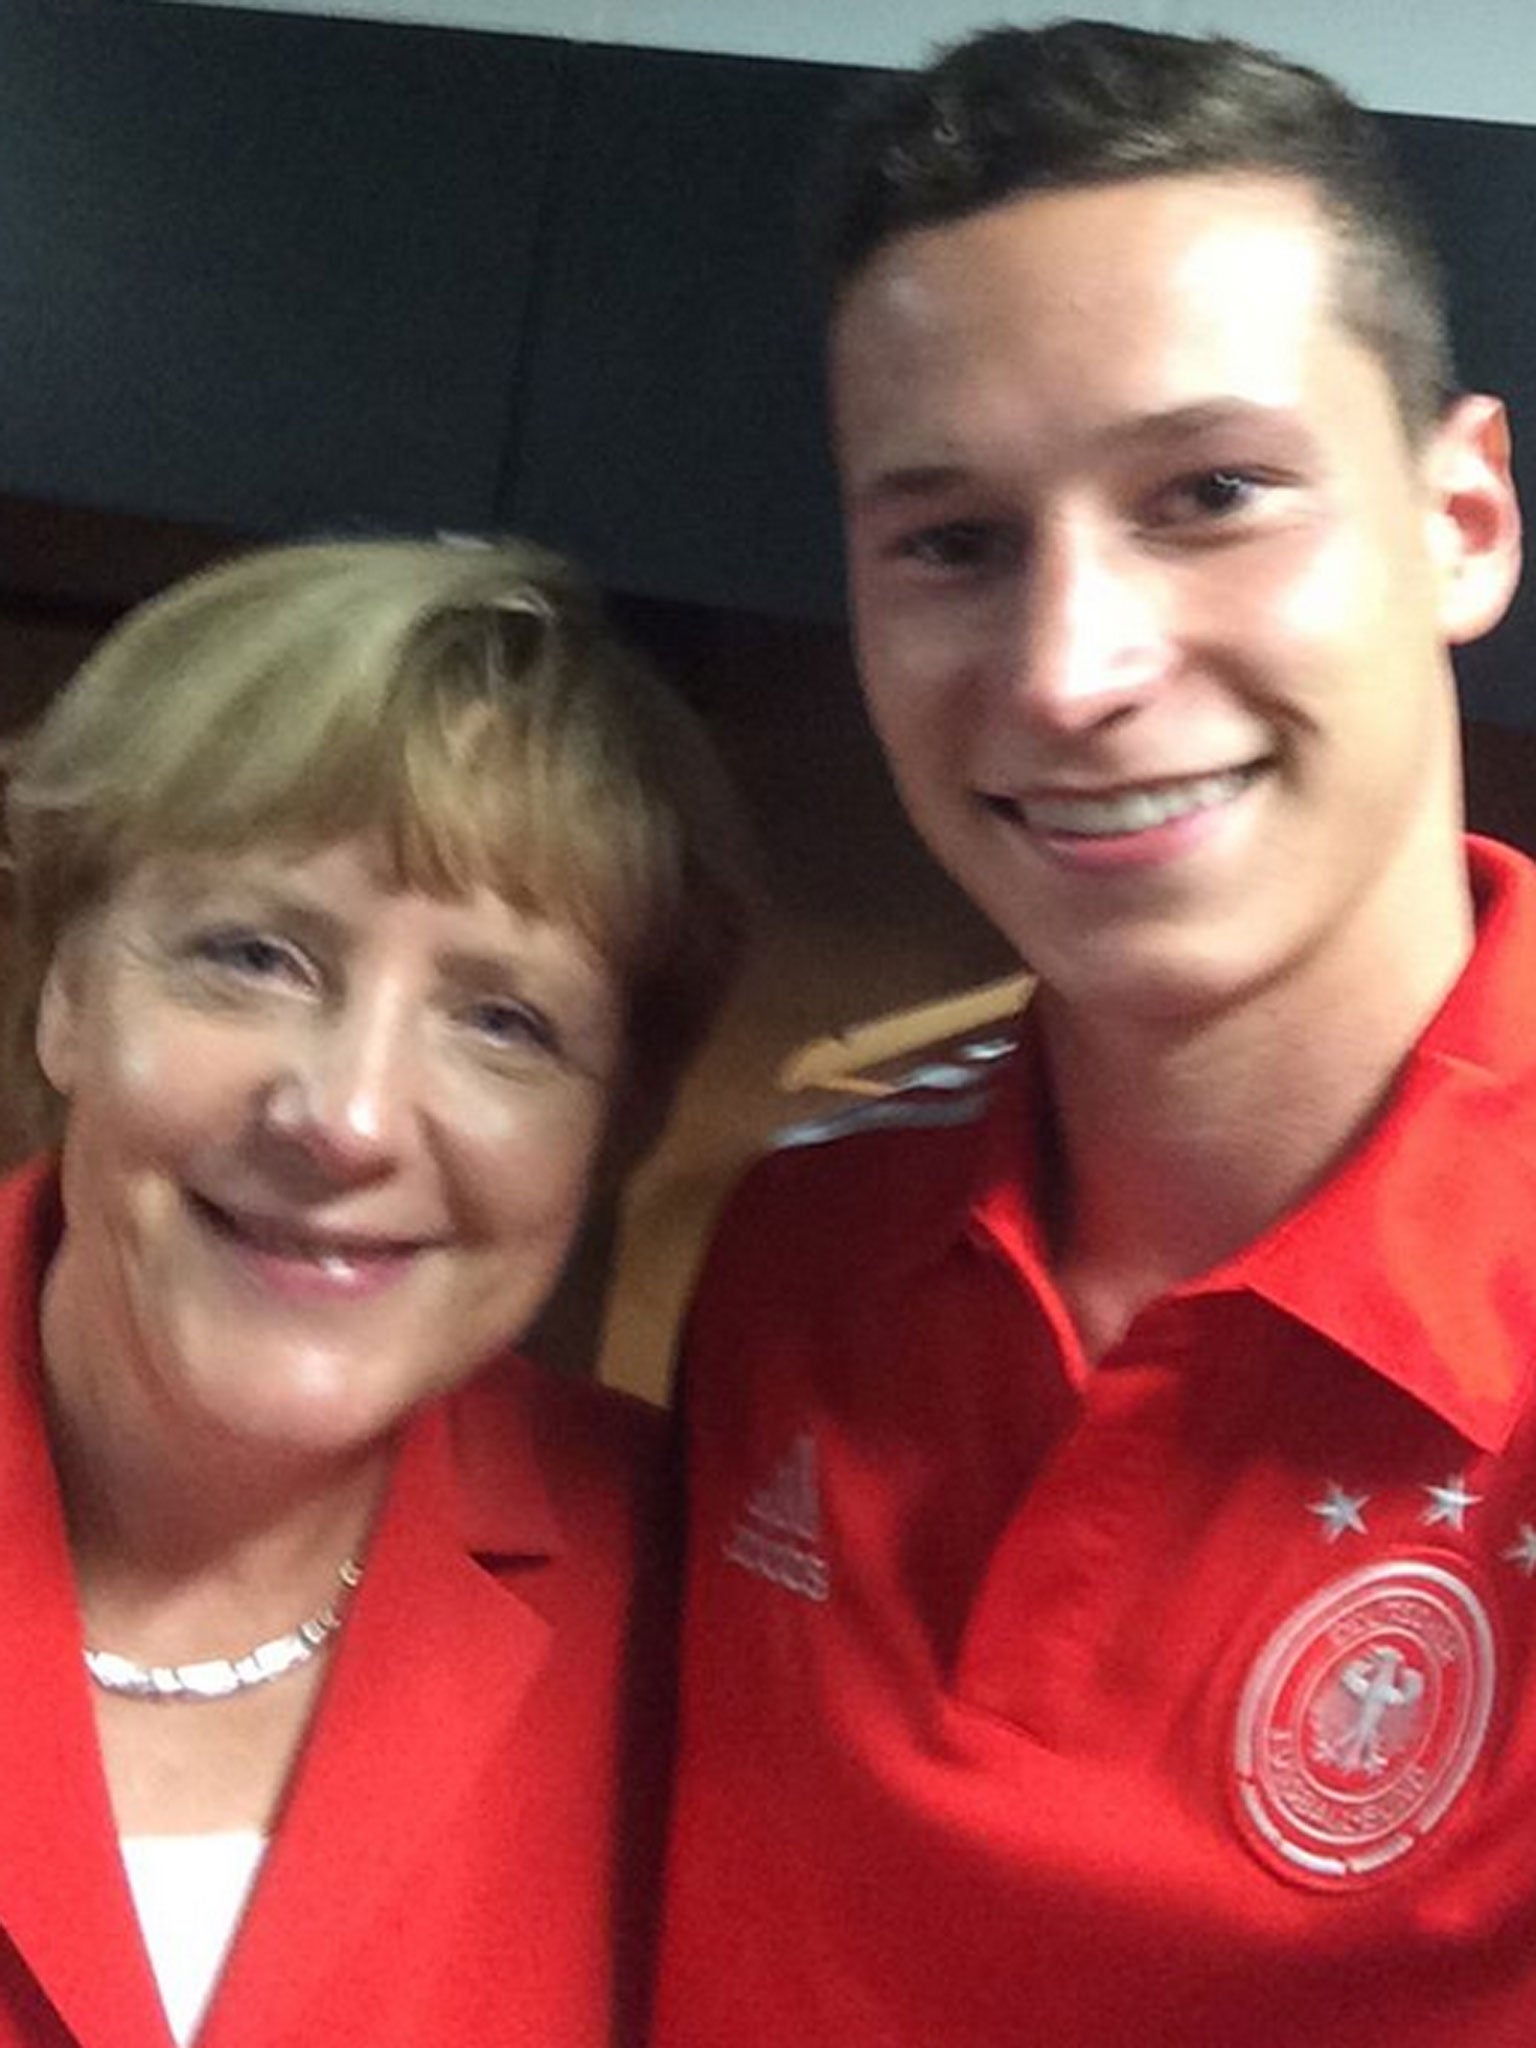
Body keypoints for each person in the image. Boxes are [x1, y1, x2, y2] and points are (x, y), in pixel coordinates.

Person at [655, 19, 1536, 2045]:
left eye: (1211, 491)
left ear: (1461, 520)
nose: (1069, 670)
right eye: (954, 541)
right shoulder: (791, 1257)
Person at [0, 534, 749, 2047]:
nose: (345, 1118)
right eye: (254, 954)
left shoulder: (712, 1606)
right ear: (66, 995)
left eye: (506, 1022)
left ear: (610, 1134)